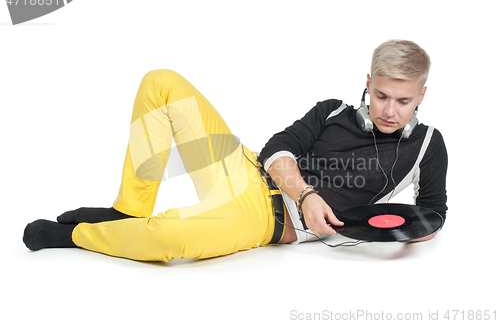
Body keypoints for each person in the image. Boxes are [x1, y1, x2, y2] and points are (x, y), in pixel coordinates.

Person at [23, 39, 447, 261]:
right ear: (368, 83)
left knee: (170, 238)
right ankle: (130, 210)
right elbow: (276, 148)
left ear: (422, 96)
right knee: (162, 81)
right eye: (382, 96)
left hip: (264, 220)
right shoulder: (331, 109)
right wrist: (307, 193)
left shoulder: (428, 145)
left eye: (404, 101)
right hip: (242, 170)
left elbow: (432, 212)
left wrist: (392, 232)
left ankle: (78, 238)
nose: (390, 111)